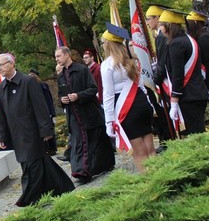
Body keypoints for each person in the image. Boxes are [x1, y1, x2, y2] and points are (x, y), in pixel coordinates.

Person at [0, 53, 75, 206]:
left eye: (2, 65)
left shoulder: (27, 81)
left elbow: (40, 107)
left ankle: (29, 197)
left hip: (32, 132)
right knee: (36, 162)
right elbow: (1, 115)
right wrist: (2, 136)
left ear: (11, 64)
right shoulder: (1, 88)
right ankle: (61, 187)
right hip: (16, 135)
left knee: (32, 164)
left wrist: (46, 130)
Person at [55, 46, 115, 183]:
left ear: (67, 55)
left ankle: (103, 165)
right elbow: (60, 96)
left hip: (89, 113)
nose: (57, 59)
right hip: (74, 117)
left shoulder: (82, 70)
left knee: (97, 141)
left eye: (58, 56)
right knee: (78, 144)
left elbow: (93, 88)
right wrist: (62, 100)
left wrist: (78, 96)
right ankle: (80, 172)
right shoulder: (60, 76)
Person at [100, 23, 155, 172]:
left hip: (127, 108)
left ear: (108, 44)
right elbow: (142, 85)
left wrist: (109, 122)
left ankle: (151, 185)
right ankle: (161, 177)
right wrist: (150, 104)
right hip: (142, 102)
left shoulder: (107, 65)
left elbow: (108, 95)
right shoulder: (133, 59)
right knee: (150, 149)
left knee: (139, 153)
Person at [156, 9, 208, 136]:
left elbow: (177, 75)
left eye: (161, 25)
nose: (160, 29)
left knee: (194, 136)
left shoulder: (176, 44)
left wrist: (173, 101)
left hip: (188, 96)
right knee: (199, 132)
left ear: (168, 26)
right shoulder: (188, 39)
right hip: (198, 92)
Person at [146, 4, 174, 149]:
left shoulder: (161, 37)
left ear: (157, 18)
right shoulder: (158, 36)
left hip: (165, 81)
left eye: (149, 19)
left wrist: (155, 80)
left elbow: (162, 63)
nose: (147, 23)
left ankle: (170, 141)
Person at [28, 69, 58, 155]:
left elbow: (49, 100)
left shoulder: (43, 86)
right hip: (37, 112)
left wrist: (52, 114)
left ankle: (52, 149)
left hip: (47, 111)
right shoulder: (29, 87)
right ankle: (45, 149)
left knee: (49, 130)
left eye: (33, 75)